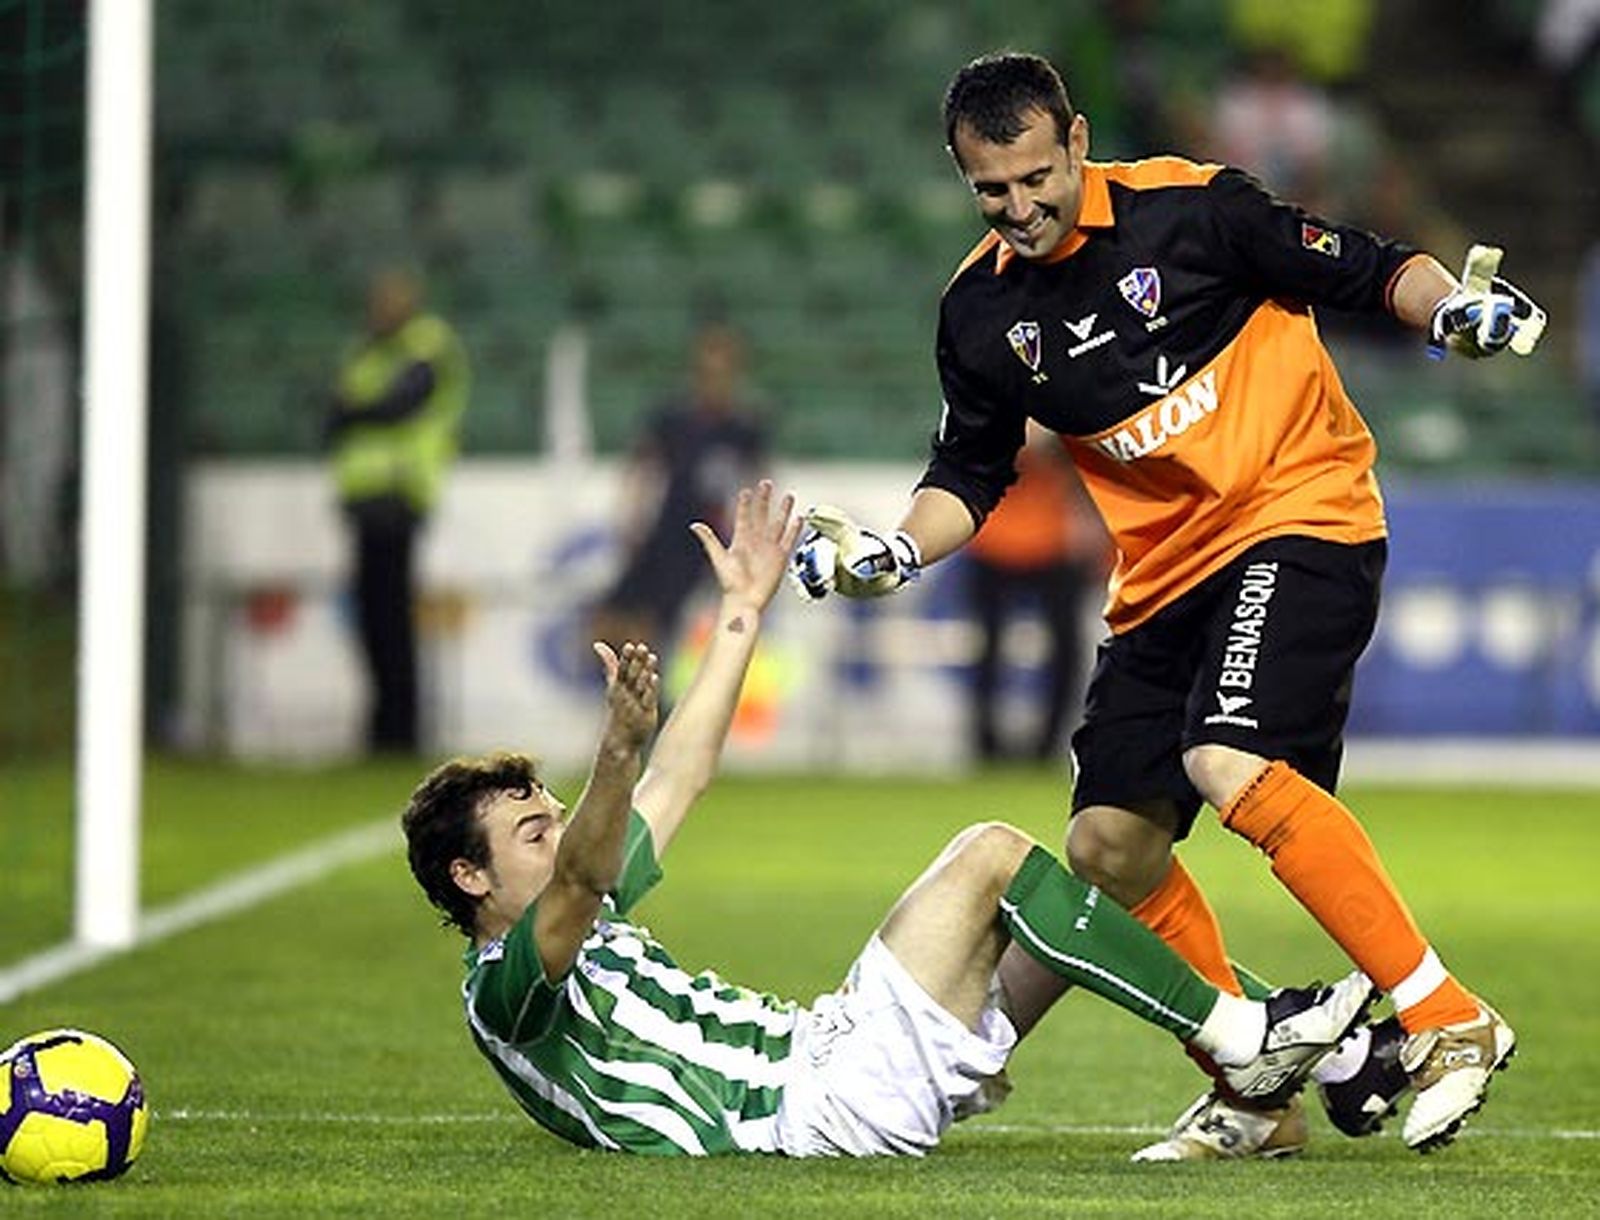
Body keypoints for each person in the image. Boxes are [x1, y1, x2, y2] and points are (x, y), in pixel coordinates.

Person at [789, 52, 1540, 1159]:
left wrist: (1453, 310)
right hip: (1162, 578)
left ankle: (1446, 1016)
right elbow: (970, 470)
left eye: (1035, 178)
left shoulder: (1193, 211)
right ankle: (1258, 1092)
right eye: (991, 190)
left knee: (1225, 758)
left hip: (1299, 514)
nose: (1019, 207)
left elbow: (1375, 268)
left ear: (1077, 142)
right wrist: (896, 549)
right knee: (1107, 846)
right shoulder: (980, 310)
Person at [402, 481, 1374, 1158]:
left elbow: (682, 773)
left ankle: (1315, 1066)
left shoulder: (588, 907)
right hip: (809, 1104)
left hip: (829, 1062)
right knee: (990, 855)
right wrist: (615, 753)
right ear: (469, 877)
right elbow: (581, 872)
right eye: (533, 831)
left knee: (1090, 877)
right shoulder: (506, 987)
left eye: (555, 815)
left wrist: (741, 608)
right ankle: (1245, 1035)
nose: (562, 833)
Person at [325, 267, 469, 754]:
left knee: (391, 618)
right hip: (365, 499)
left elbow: (398, 403)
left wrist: (352, 412)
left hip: (400, 493)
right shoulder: (368, 351)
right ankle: (382, 727)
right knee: (372, 618)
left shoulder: (425, 344)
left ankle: (400, 730)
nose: (381, 309)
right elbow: (337, 414)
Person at [590, 321, 767, 664]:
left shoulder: (743, 426)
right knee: (614, 613)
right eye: (708, 372)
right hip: (665, 529)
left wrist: (750, 537)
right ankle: (628, 677)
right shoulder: (674, 418)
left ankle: (657, 682)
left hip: (705, 541)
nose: (715, 381)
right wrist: (630, 518)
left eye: (723, 372)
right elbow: (642, 466)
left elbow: (758, 478)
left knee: (669, 623)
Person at [963, 421, 1107, 762]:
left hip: (1050, 540)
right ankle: (988, 744)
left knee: (1063, 648)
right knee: (990, 647)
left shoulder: (1062, 412)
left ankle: (1044, 744)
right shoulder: (990, 410)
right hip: (998, 538)